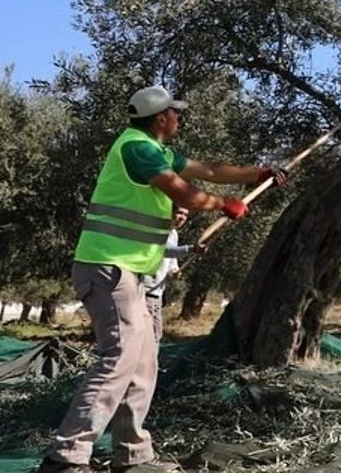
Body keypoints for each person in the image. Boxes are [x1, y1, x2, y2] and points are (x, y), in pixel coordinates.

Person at [37, 86, 287, 473]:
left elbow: (210, 170)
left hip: (131, 272)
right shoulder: (137, 148)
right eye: (175, 113)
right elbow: (182, 191)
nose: (179, 118)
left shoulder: (158, 150)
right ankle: (66, 457)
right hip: (108, 267)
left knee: (143, 363)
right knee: (119, 357)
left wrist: (261, 173)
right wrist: (224, 204)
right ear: (161, 118)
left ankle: (132, 453)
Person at [141, 209, 193, 344]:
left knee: (155, 335)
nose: (182, 218)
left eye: (186, 215)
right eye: (179, 213)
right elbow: (165, 250)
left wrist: (174, 271)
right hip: (145, 290)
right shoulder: (156, 230)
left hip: (157, 292)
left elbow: (171, 260)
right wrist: (191, 249)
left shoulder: (173, 234)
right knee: (150, 335)